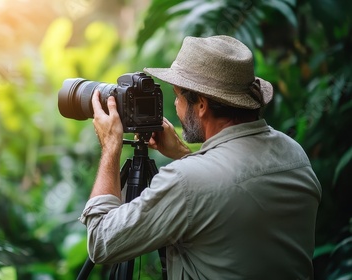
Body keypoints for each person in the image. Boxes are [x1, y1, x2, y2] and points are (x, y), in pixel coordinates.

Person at [79, 35, 322, 279]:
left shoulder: (187, 181)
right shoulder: (293, 152)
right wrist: (183, 154)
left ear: (202, 105)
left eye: (178, 96)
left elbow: (101, 242)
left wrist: (111, 146)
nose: (175, 106)